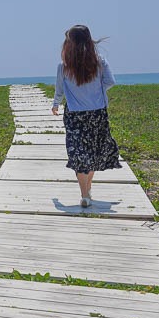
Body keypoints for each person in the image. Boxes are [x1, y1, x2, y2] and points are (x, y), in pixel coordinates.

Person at [51, 25, 122, 207]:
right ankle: (87, 190)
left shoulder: (63, 66)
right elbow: (110, 81)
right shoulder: (100, 61)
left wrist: (55, 104)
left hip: (74, 115)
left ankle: (85, 193)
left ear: (70, 43)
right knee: (94, 151)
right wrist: (96, 92)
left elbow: (59, 90)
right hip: (97, 113)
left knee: (78, 153)